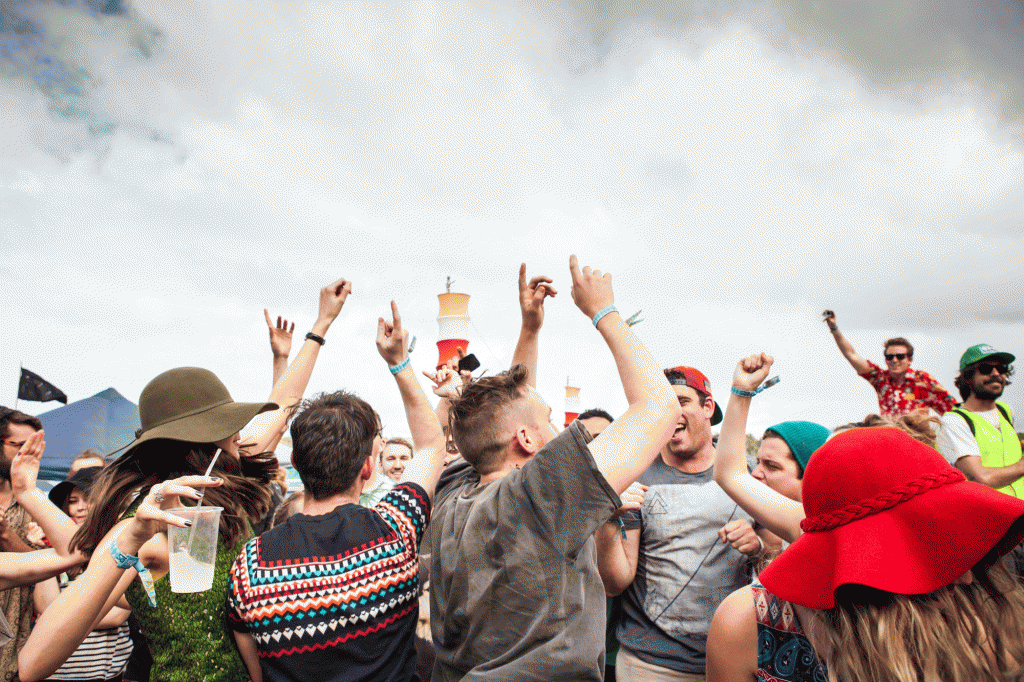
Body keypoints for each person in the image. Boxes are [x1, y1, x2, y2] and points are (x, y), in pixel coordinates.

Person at [19, 277, 351, 682]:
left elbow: (282, 406)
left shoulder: (218, 483)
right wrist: (130, 539)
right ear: (198, 437)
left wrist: (321, 325)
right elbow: (33, 664)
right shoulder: (148, 521)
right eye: (225, 422)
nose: (239, 429)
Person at [429, 256, 681, 681]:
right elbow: (660, 407)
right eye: (548, 420)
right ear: (526, 440)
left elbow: (504, 410)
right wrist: (605, 312)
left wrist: (530, 329)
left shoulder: (455, 488)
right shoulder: (537, 498)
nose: (556, 428)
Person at [225, 300, 447, 682]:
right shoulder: (395, 530)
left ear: (295, 461)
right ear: (367, 467)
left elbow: (257, 673)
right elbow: (431, 447)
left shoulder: (250, 564)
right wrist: (399, 363)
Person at [708, 426, 1024, 682]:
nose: (966, 576)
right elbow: (730, 474)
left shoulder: (975, 629)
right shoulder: (749, 624)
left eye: (951, 543)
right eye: (925, 546)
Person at [598, 364, 776, 682]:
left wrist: (758, 544)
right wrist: (607, 519)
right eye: (662, 404)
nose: (671, 413)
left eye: (681, 401)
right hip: (651, 666)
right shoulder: (636, 478)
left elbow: (783, 546)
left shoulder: (749, 473)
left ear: (707, 407)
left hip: (736, 659)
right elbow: (615, 582)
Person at [0, 412, 82, 681]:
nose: (26, 453)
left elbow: (71, 555)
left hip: (16, 654)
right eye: (18, 445)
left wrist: (27, 493)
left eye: (32, 446)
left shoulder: (34, 505)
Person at [714, 354, 829, 543]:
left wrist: (742, 391)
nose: (755, 474)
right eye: (758, 462)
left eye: (772, 466)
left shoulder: (817, 528)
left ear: (812, 477)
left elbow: (730, 475)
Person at [38, 465, 133, 682]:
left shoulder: (124, 546)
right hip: (54, 674)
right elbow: (43, 606)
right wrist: (46, 548)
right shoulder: (56, 551)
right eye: (72, 501)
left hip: (104, 675)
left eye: (87, 498)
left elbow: (116, 616)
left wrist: (58, 618)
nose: (80, 508)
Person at [822, 309, 957, 418]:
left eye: (900, 356)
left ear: (909, 359)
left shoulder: (922, 380)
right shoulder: (880, 379)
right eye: (889, 357)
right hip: (889, 439)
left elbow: (952, 408)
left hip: (917, 440)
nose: (894, 360)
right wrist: (834, 329)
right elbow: (851, 355)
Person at [936, 344, 1021, 497]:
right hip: (989, 516)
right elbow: (981, 478)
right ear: (967, 377)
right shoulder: (953, 422)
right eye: (986, 369)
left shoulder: (1006, 411)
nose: (996, 374)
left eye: (1001, 369)